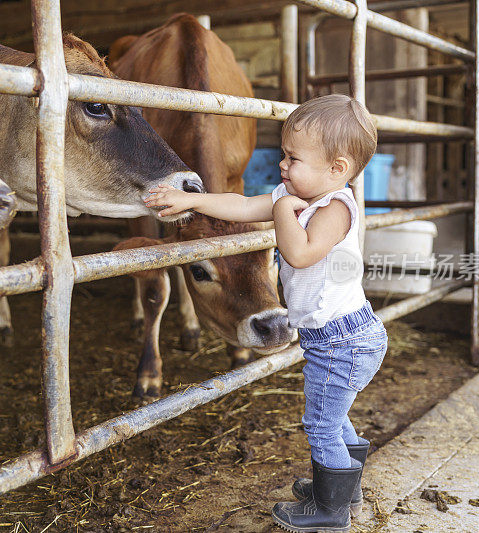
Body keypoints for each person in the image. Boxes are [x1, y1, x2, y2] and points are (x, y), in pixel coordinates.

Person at [144, 93, 388, 533]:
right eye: (283, 155)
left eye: (294, 159)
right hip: (328, 339)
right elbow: (239, 206)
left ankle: (330, 512)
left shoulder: (336, 208)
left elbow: (299, 251)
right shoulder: (290, 194)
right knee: (335, 416)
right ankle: (343, 490)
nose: (282, 166)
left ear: (337, 170)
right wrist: (193, 203)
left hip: (347, 340)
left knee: (320, 421)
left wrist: (278, 211)